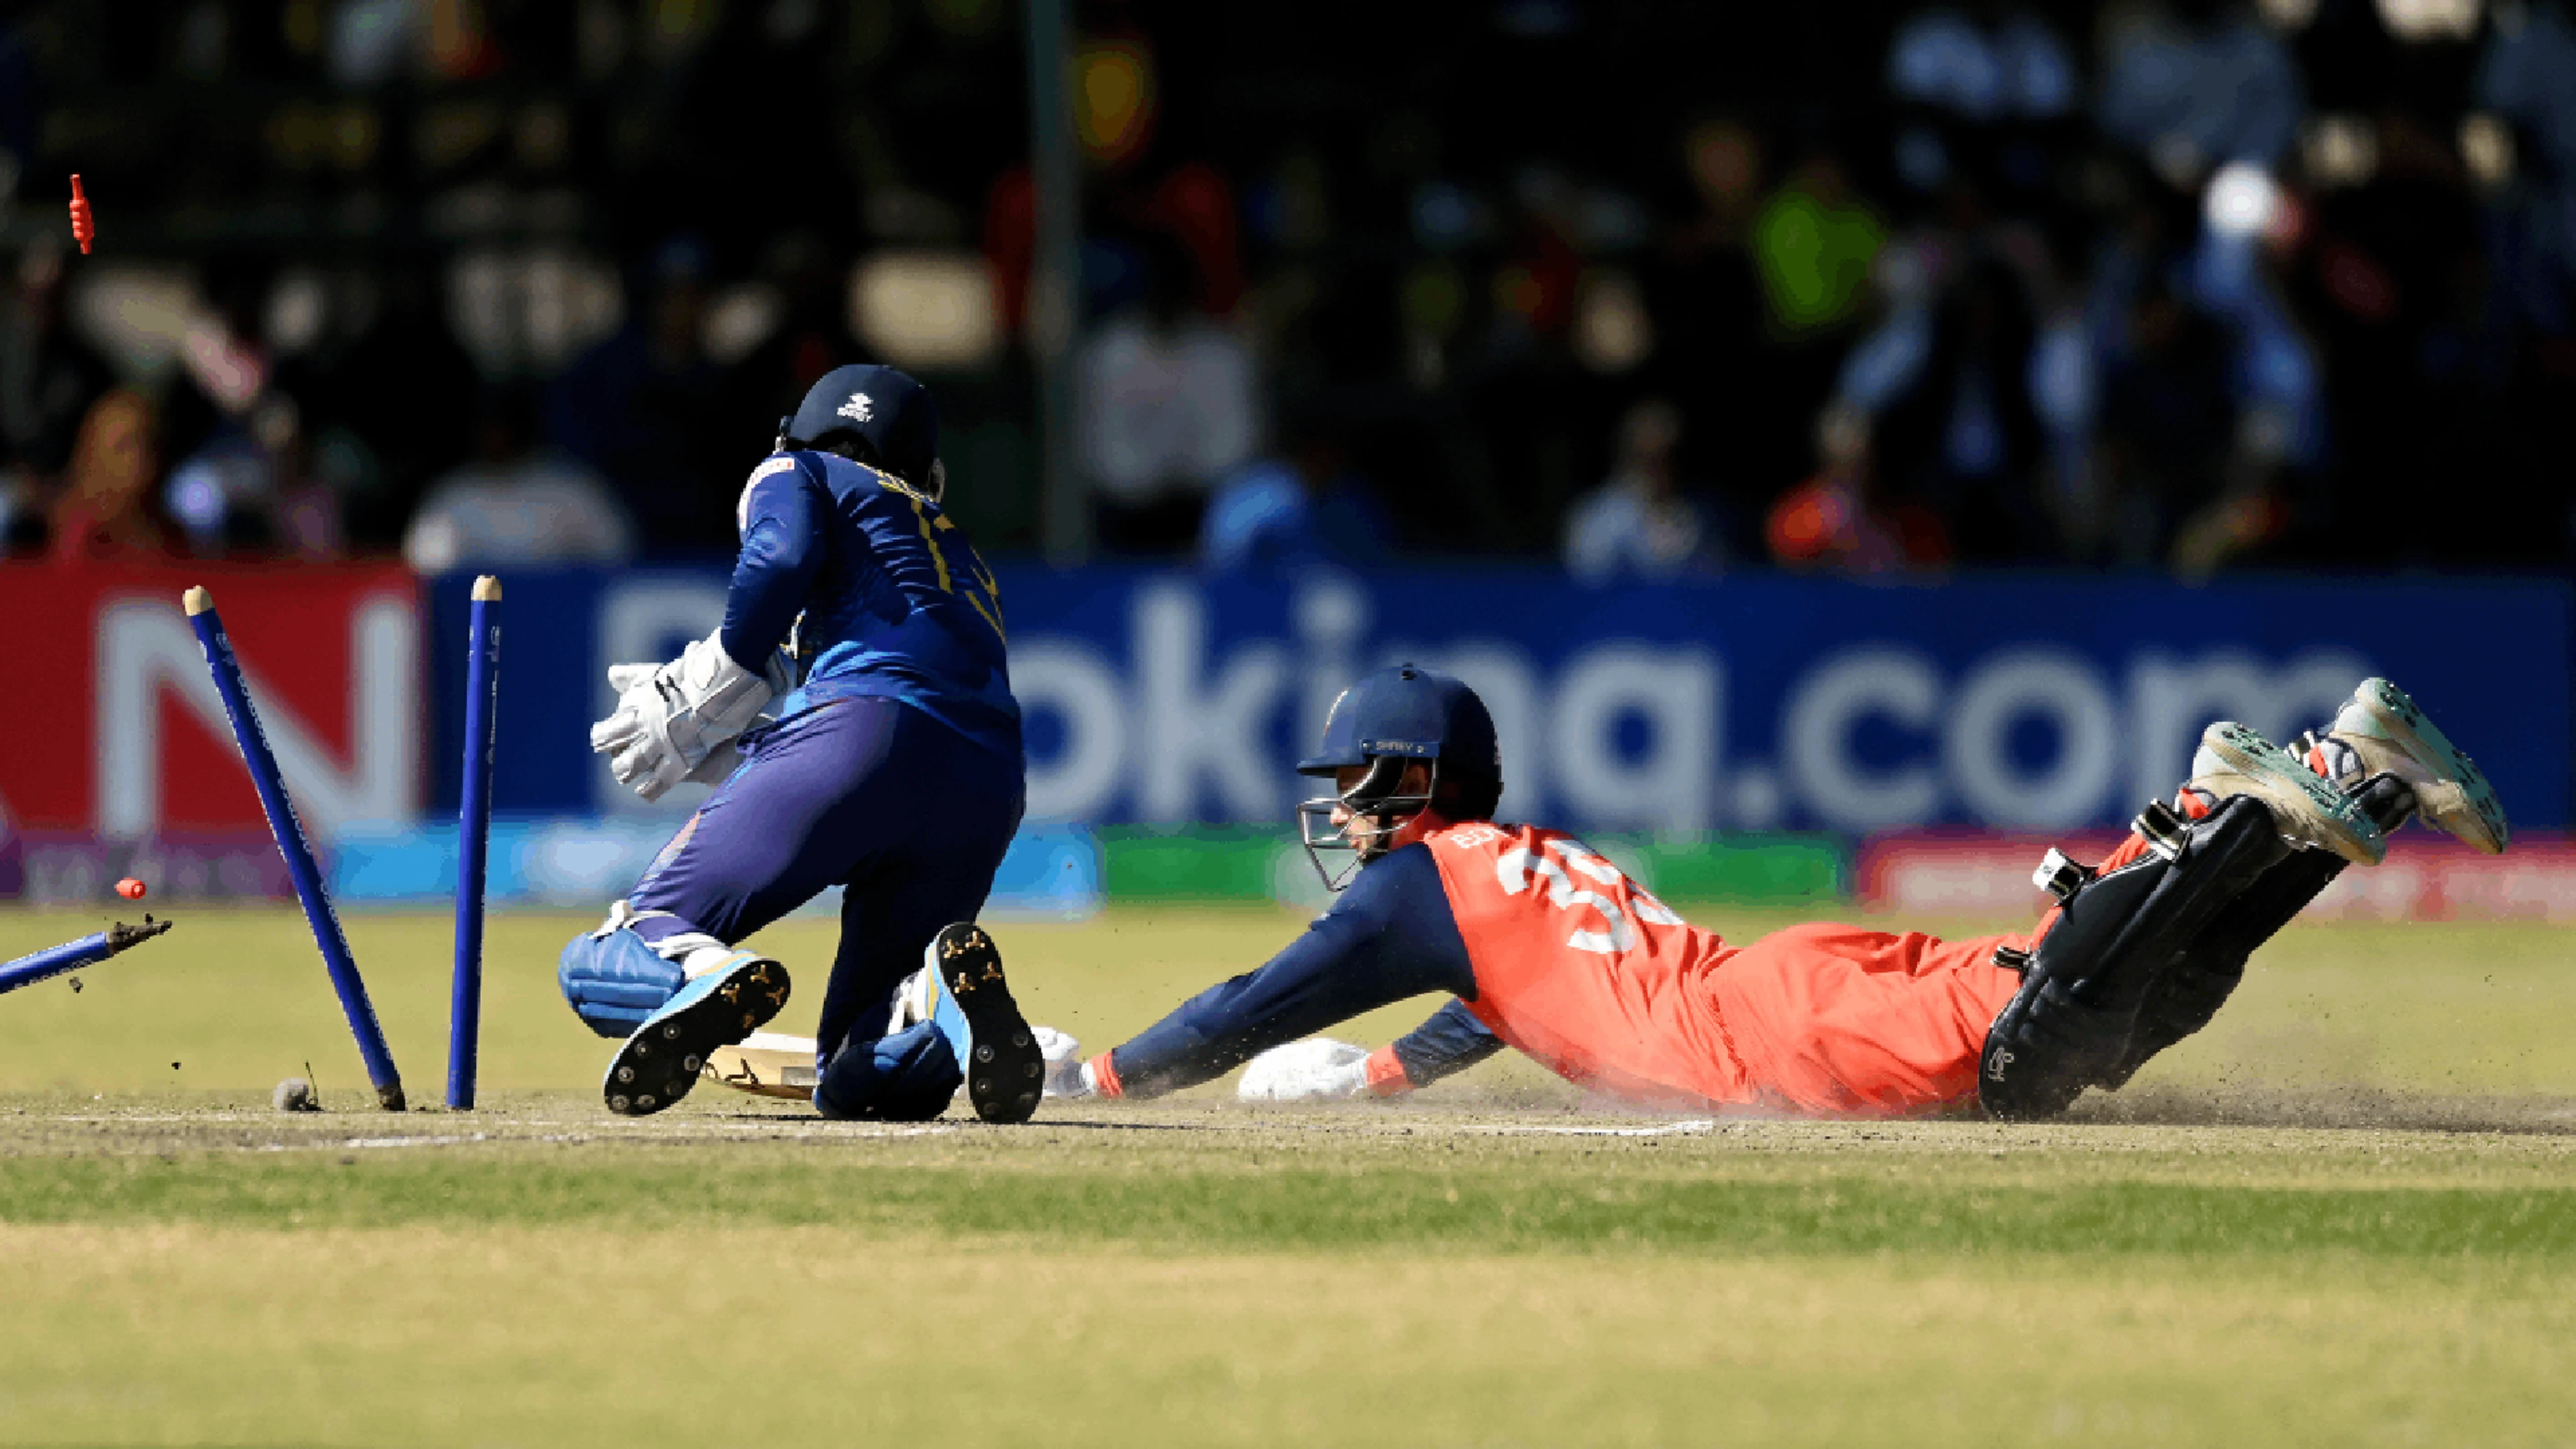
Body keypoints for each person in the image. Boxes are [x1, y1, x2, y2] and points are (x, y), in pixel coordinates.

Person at [1045, 664, 2506, 1120]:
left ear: (1412, 787)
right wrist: (1376, 1076)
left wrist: (1094, 1079)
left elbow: (1239, 1011)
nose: (1342, 816)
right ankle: (2340, 790)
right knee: (2135, 1016)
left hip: (1767, 1034)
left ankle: (2214, 799)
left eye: (1356, 787)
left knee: (2037, 1047)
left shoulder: (1413, 889)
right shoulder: (1531, 866)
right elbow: (1510, 1016)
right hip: (1787, 978)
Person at [556, 364, 1045, 1124]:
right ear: (929, 474)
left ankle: (704, 973)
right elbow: (915, 697)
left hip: (862, 738)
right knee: (854, 1071)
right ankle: (935, 1009)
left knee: (613, 952)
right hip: (989, 783)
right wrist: (746, 748)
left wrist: (719, 672)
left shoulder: (799, 468)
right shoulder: (959, 552)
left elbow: (784, 559)